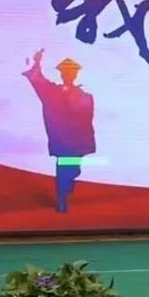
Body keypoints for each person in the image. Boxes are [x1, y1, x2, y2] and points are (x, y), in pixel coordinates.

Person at [22, 49, 95, 213]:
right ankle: (62, 200)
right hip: (62, 139)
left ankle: (65, 188)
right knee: (63, 168)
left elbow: (87, 113)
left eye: (71, 72)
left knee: (73, 169)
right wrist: (37, 62)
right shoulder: (53, 91)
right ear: (62, 74)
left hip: (77, 140)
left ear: (75, 75)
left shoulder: (84, 95)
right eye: (66, 72)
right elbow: (39, 81)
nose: (69, 75)